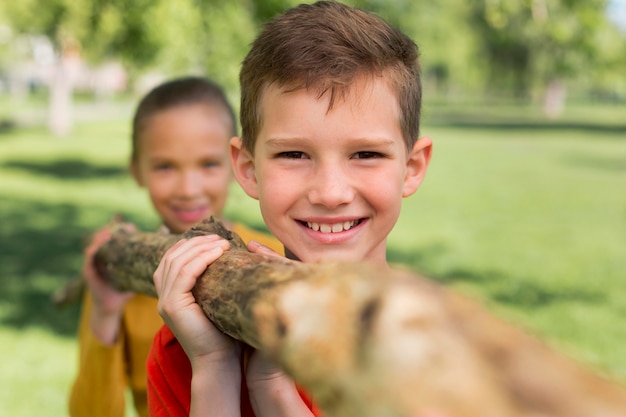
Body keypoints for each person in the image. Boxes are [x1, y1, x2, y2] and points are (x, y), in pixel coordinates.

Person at [146, 1, 433, 416]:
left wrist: (274, 390)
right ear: (248, 169)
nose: (330, 193)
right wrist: (214, 369)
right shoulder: (187, 349)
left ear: (412, 168)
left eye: (366, 153)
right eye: (295, 154)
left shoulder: (441, 355)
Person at [68, 76, 283, 417]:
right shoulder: (123, 277)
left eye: (208, 164)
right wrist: (105, 312)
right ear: (137, 170)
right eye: (165, 166)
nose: (188, 188)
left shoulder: (275, 257)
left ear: (238, 163)